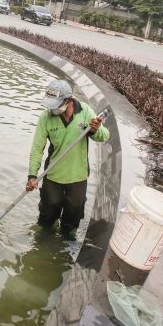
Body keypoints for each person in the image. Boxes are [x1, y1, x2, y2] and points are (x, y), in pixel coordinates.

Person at [26, 80, 110, 233]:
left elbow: (104, 136)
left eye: (56, 104)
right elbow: (37, 149)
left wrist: (94, 129)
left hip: (78, 176)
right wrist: (32, 175)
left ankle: (66, 242)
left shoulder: (84, 112)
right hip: (53, 174)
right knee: (47, 215)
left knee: (72, 218)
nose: (52, 109)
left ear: (69, 100)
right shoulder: (45, 117)